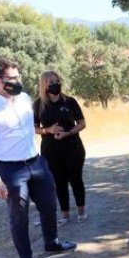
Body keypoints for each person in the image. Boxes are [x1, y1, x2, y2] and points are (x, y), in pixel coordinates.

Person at [0, 59, 76, 258]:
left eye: (19, 77)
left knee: (49, 206)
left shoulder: (24, 99)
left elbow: (31, 130)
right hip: (11, 170)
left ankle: (52, 242)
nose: (18, 81)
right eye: (13, 78)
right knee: (19, 216)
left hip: (36, 162)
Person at [33, 71, 87, 225]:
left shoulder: (69, 101)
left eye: (57, 81)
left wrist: (68, 133)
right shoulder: (38, 105)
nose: (55, 84)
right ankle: (65, 215)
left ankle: (82, 212)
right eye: (51, 82)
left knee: (76, 179)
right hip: (50, 150)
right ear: (44, 85)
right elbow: (34, 128)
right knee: (59, 181)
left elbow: (82, 123)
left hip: (73, 147)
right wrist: (48, 130)